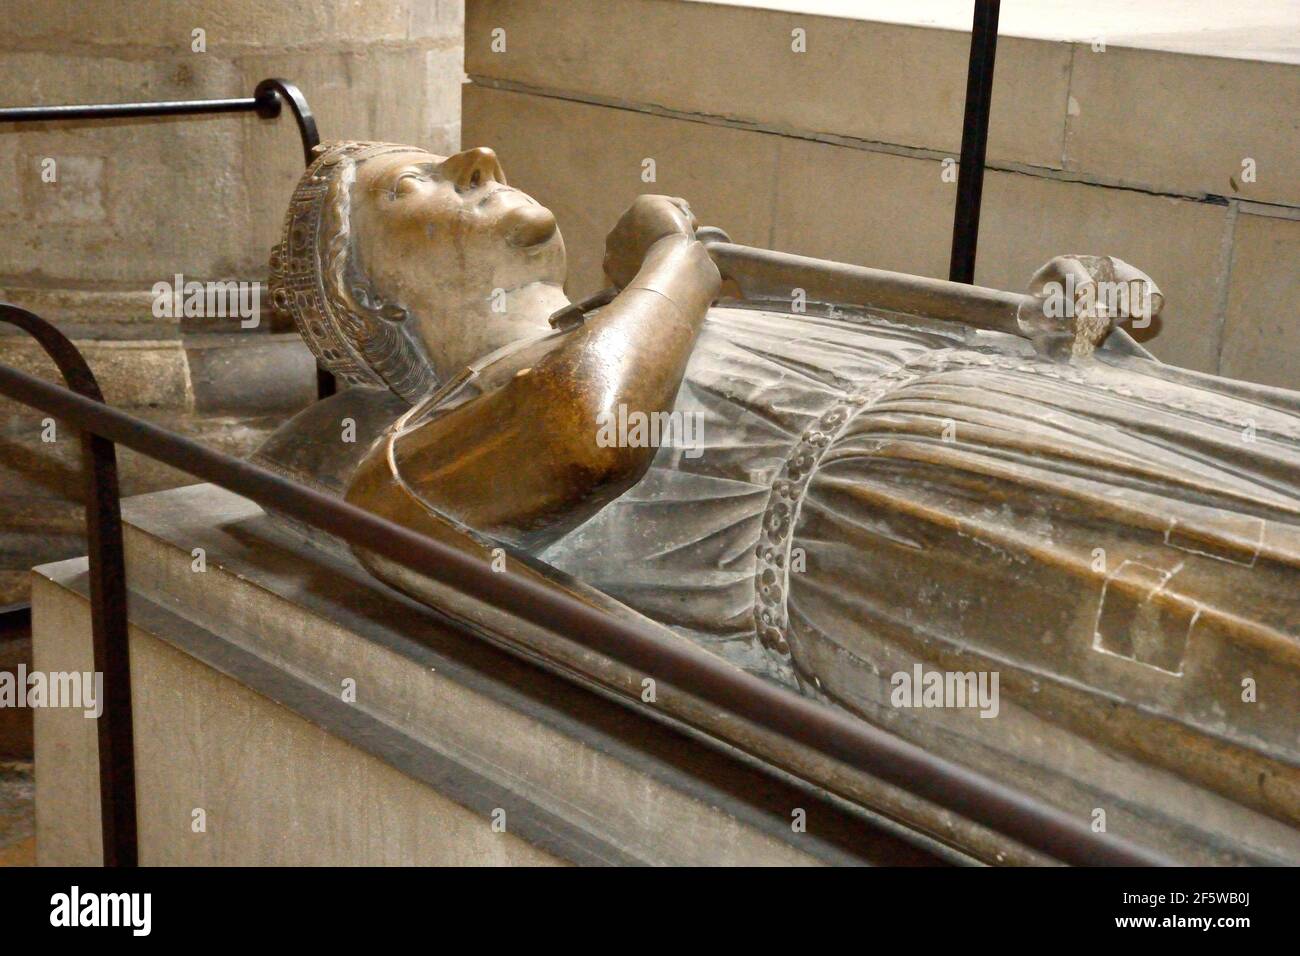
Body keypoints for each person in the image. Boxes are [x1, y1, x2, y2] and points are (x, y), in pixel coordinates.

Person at [259, 141, 1300, 844]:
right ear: (373, 304)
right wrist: (675, 256)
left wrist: (1052, 337)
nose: (474, 158)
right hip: (898, 537)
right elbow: (581, 426)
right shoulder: (408, 456)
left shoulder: (617, 312)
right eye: (406, 188)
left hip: (996, 426)